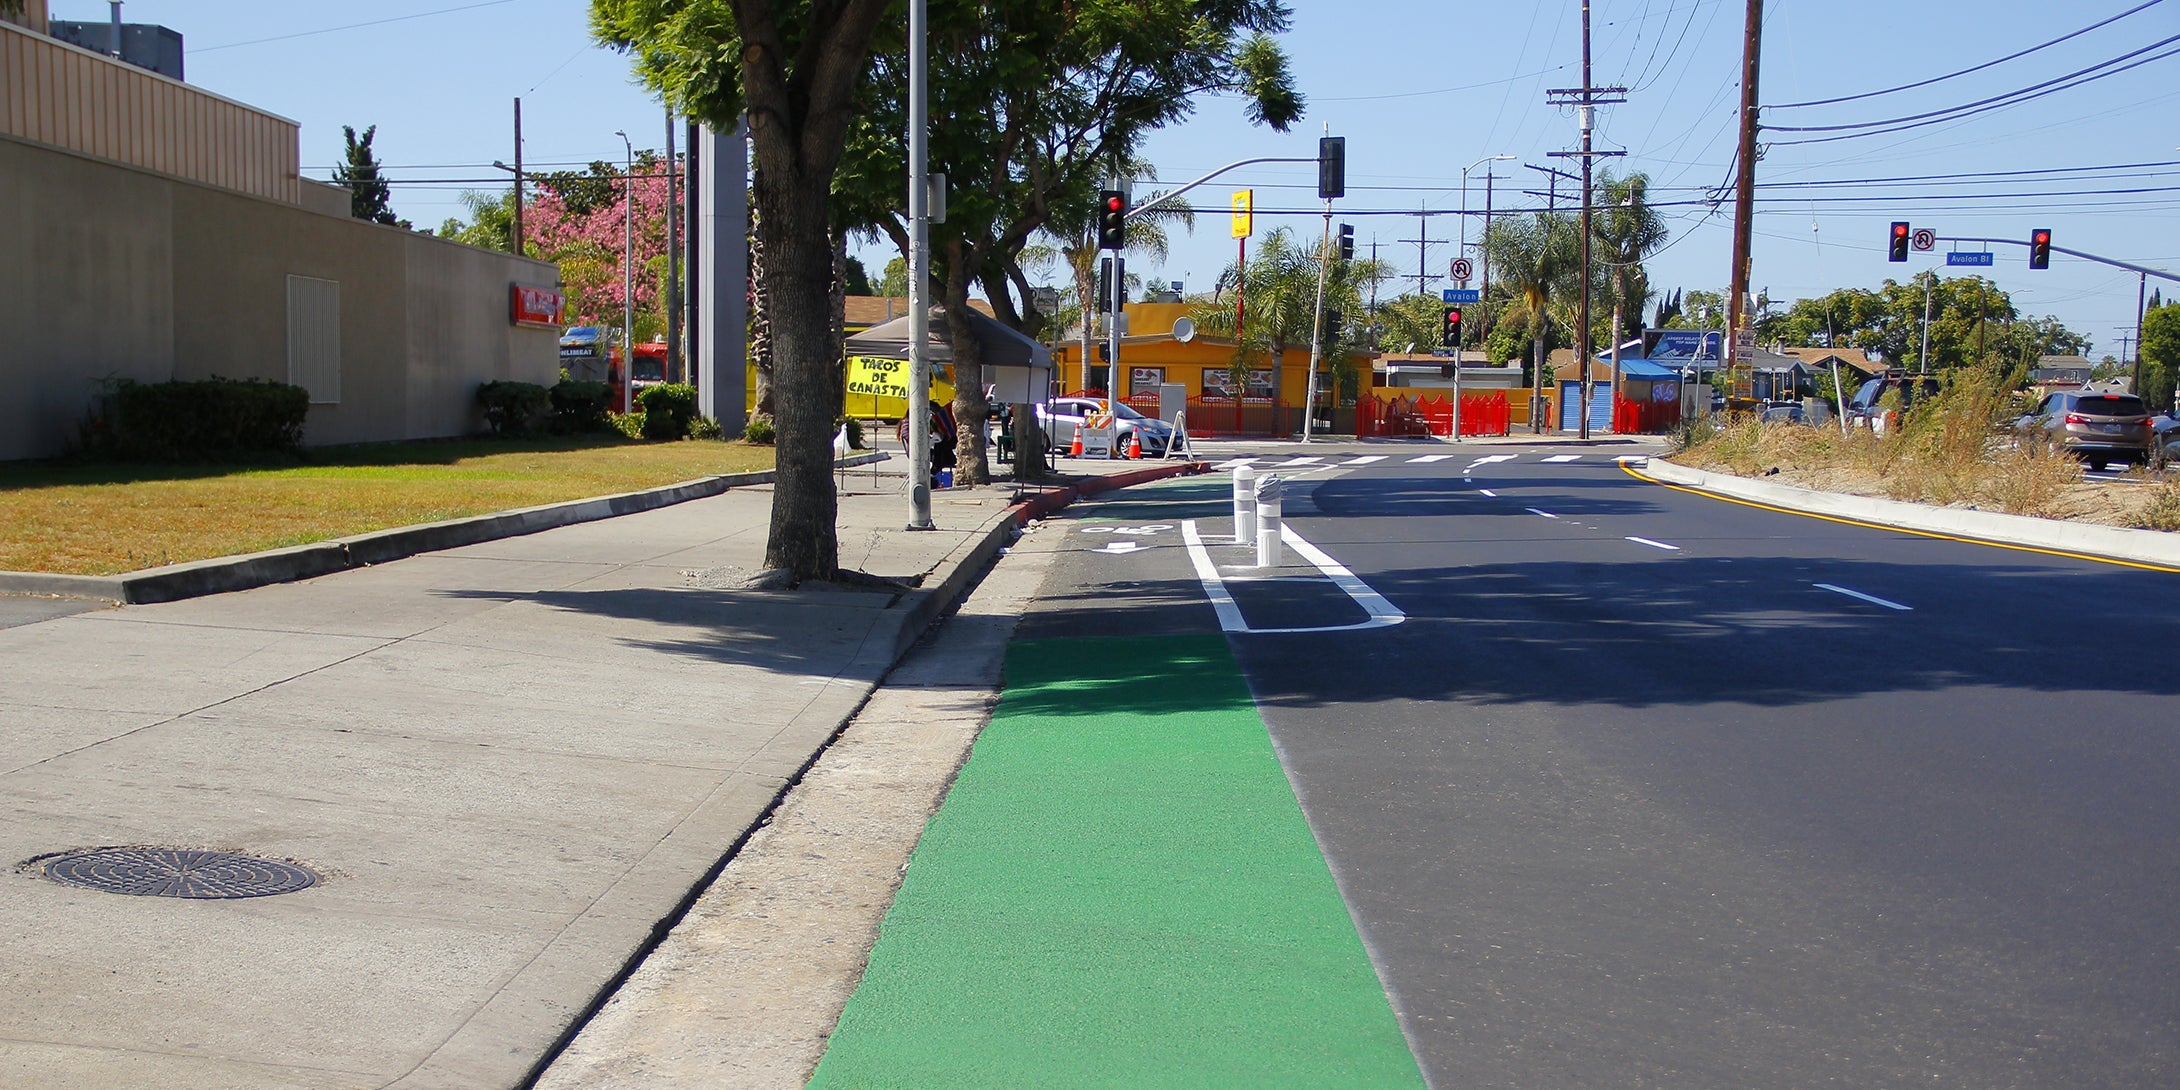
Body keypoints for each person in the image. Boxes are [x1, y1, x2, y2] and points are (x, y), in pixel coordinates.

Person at [929, 400, 958, 488]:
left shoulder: (939, 416)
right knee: (940, 447)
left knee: (940, 447)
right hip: (951, 438)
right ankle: (944, 463)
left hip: (952, 438)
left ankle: (937, 468)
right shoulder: (944, 412)